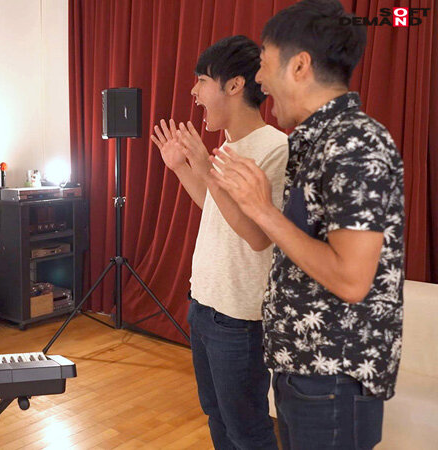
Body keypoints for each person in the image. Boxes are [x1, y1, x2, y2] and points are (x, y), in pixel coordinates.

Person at [210, 1, 405, 448]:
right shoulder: (315, 141)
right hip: (304, 370)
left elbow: (351, 279)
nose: (260, 80)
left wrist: (262, 209)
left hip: (332, 376)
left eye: (264, 63)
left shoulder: (354, 142)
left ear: (299, 66)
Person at [151, 35, 287, 449]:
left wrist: (207, 169)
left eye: (201, 80)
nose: (193, 92)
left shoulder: (275, 149)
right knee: (215, 415)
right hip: (204, 304)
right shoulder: (229, 146)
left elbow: (258, 236)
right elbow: (218, 209)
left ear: (234, 85)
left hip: (239, 316)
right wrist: (181, 168)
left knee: (247, 428)